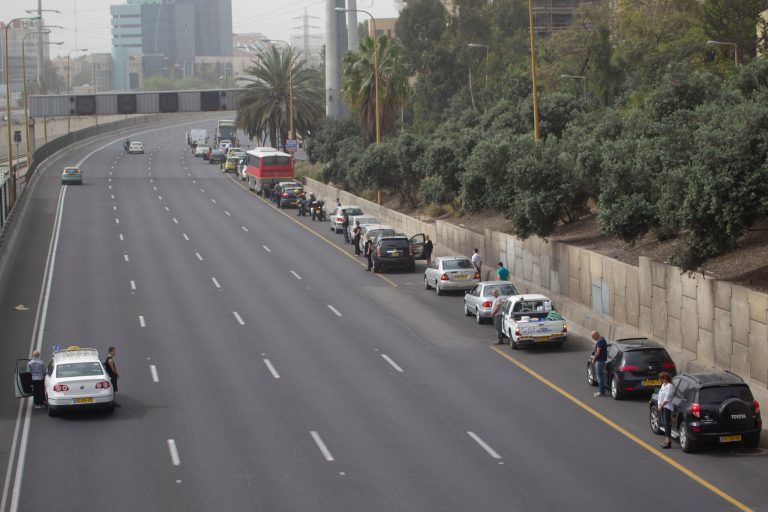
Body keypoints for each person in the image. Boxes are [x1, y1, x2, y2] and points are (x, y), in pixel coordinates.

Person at [657, 371, 674, 449]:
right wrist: (659, 405)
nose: (660, 380)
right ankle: (666, 440)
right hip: (662, 407)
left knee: (667, 424)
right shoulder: (663, 385)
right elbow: (660, 396)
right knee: (664, 424)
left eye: (661, 379)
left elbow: (667, 398)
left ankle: (668, 441)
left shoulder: (669, 386)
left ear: (665, 378)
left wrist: (662, 405)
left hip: (667, 407)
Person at [590, 331, 608, 397]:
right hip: (602, 360)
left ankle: (601, 391)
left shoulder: (600, 342)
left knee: (599, 377)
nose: (593, 338)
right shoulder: (603, 339)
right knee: (600, 376)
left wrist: (594, 360)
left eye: (593, 337)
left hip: (599, 361)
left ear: (596, 335)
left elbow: (598, 353)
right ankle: (602, 390)